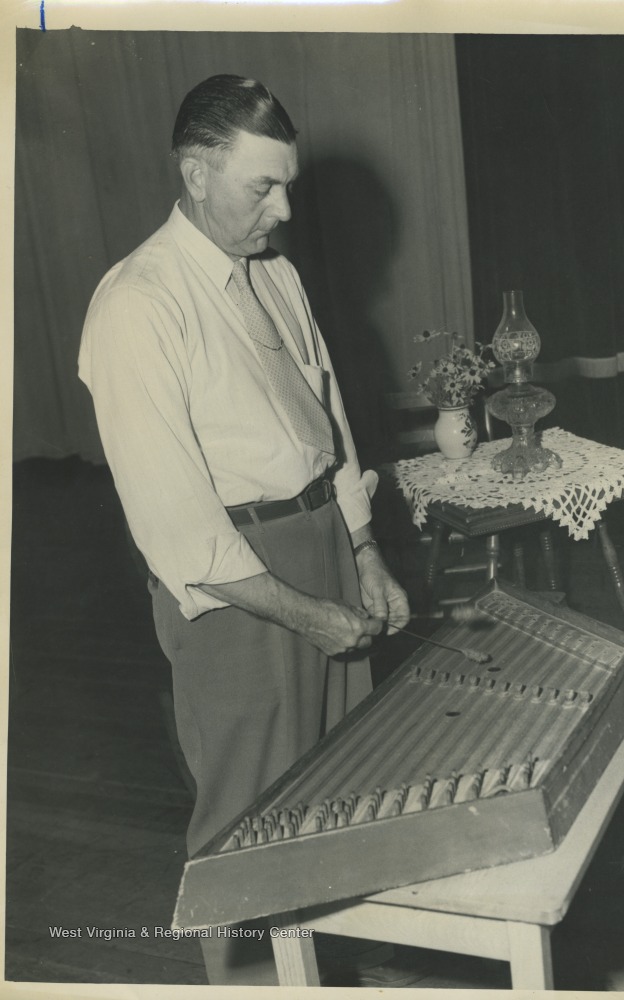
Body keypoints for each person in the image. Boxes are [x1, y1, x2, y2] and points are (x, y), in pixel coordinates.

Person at [78, 74, 410, 984]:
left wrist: (365, 550)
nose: (286, 208)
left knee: (347, 801)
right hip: (236, 592)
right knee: (249, 827)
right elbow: (178, 531)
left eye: (289, 183)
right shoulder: (138, 304)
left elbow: (326, 423)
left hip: (323, 554)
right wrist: (307, 613)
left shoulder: (276, 273)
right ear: (194, 173)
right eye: (263, 187)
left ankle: (338, 974)